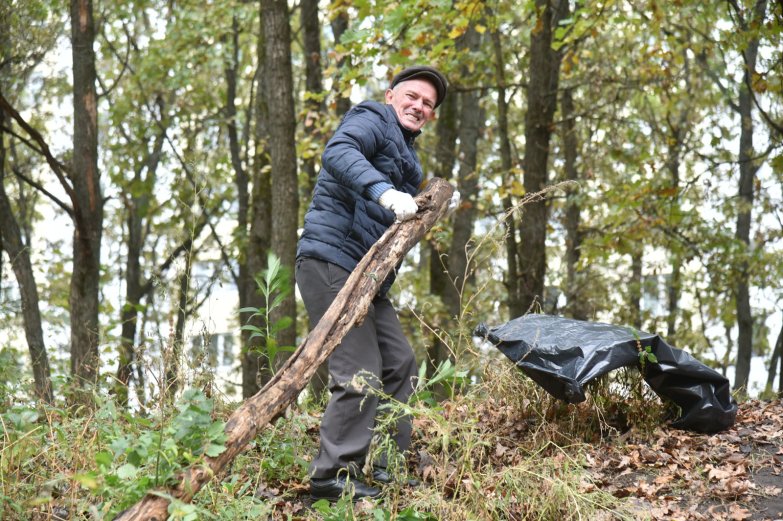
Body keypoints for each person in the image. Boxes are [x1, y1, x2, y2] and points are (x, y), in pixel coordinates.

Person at [295, 65, 458, 501]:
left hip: (368, 278)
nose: (419, 106)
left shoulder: (408, 156)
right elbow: (340, 151)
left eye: (428, 103)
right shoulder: (371, 117)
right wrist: (383, 191)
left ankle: (383, 465)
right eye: (412, 96)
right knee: (360, 372)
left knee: (400, 364)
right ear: (391, 96)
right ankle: (333, 478)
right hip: (330, 261)